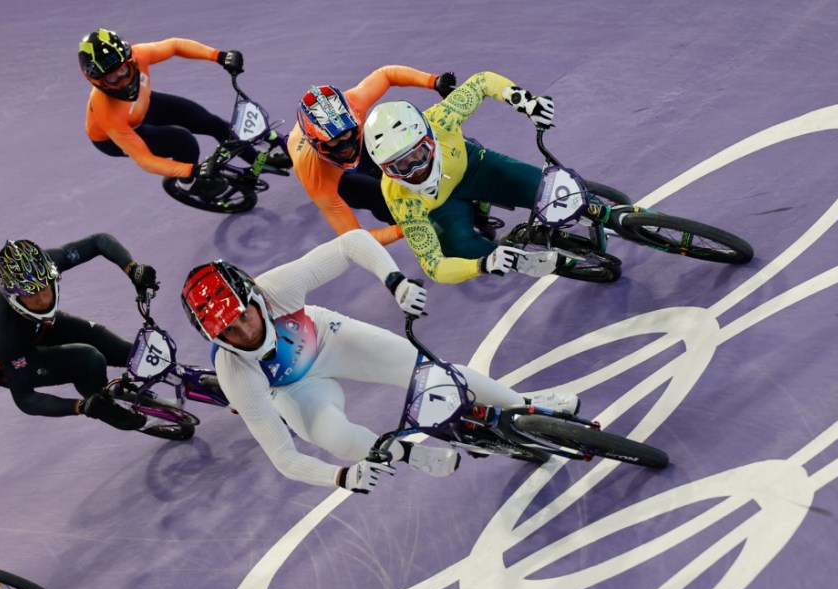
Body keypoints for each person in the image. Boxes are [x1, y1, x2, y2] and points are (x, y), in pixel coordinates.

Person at [179, 229, 578, 494]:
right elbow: (283, 457)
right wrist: (340, 477)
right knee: (334, 437)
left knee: (433, 374)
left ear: (253, 297)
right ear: (214, 338)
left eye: (243, 317)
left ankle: (527, 405)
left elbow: (350, 243)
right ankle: (407, 453)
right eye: (228, 331)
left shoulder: (277, 287)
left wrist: (396, 282)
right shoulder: (235, 373)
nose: (244, 333)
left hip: (328, 338)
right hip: (294, 389)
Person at [362, 71, 564, 284]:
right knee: (460, 248)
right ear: (387, 171)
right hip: (443, 206)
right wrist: (481, 266)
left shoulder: (441, 119)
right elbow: (434, 265)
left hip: (471, 168)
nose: (416, 168)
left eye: (418, 153)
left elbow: (482, 82)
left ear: (429, 137)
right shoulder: (398, 198)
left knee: (546, 188)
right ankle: (510, 258)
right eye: (401, 165)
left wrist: (525, 102)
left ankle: (595, 208)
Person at [0, 235, 159, 431]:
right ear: (13, 296)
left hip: (39, 325)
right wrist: (81, 407)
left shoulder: (47, 264)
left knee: (119, 348)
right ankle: (104, 405)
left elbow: (98, 242)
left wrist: (132, 269)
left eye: (45, 284)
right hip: (11, 360)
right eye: (31, 293)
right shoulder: (4, 333)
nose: (43, 298)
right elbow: (25, 399)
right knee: (89, 360)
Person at [78, 28, 272, 196]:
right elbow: (145, 160)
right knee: (183, 142)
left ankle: (257, 161)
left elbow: (174, 46)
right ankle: (188, 185)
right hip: (114, 136)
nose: (124, 80)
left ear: (131, 59)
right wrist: (194, 171)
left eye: (125, 70)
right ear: (97, 82)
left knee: (210, 122)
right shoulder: (106, 112)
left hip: (142, 105)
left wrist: (220, 56)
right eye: (113, 78)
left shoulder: (139, 54)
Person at [289, 67, 456, 246]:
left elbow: (386, 75)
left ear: (352, 116)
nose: (346, 146)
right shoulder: (315, 177)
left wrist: (434, 81)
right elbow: (354, 239)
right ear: (316, 143)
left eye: (348, 133)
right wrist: (407, 227)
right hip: (334, 174)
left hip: (358, 146)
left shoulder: (355, 102)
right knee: (379, 197)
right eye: (334, 142)